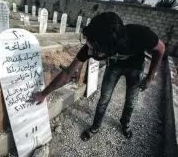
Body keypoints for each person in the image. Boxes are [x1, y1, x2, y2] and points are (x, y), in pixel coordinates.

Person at [33, 12, 165, 141]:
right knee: (104, 98)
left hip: (135, 67)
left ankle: (125, 124)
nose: (89, 52)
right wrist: (44, 93)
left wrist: (150, 77)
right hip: (114, 66)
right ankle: (95, 127)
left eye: (94, 49)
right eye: (89, 45)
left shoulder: (142, 35)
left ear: (111, 48)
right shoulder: (94, 44)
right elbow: (68, 73)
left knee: (131, 100)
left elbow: (161, 48)